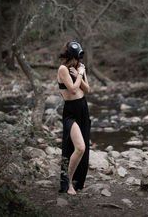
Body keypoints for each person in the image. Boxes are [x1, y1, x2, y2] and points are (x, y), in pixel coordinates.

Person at [57, 41, 91, 195]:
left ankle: (78, 181)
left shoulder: (80, 68)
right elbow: (72, 89)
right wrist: (79, 76)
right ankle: (68, 183)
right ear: (72, 55)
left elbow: (87, 89)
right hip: (71, 111)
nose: (80, 59)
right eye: (78, 56)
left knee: (84, 148)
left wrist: (80, 74)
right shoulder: (63, 69)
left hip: (83, 108)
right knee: (79, 147)